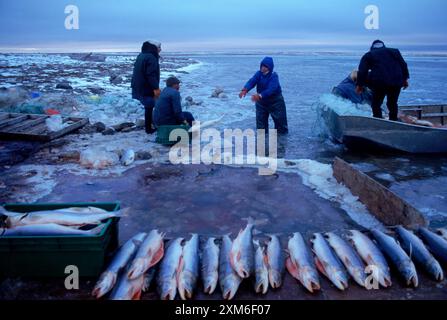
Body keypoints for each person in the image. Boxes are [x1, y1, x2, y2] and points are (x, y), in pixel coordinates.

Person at [356, 40, 410, 121]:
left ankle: (378, 121)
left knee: (376, 104)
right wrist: (405, 79)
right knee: (392, 103)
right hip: (396, 82)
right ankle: (393, 120)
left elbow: (362, 71)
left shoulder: (368, 55)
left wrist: (359, 85)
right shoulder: (395, 51)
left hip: (379, 83)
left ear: (372, 47)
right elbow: (403, 65)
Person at [239, 57, 288, 134]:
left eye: (265, 66)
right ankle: (262, 144)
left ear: (269, 67)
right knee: (261, 127)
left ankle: (282, 143)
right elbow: (252, 81)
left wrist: (260, 95)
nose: (263, 68)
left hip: (275, 102)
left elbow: (272, 88)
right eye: (262, 65)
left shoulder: (273, 76)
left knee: (281, 126)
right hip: (261, 102)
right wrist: (245, 89)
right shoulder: (259, 74)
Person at [131, 40, 162, 134]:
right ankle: (149, 128)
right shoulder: (151, 57)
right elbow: (151, 75)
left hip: (139, 85)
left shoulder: (142, 55)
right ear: (154, 47)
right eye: (159, 47)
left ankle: (149, 126)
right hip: (146, 86)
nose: (161, 49)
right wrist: (156, 88)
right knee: (149, 106)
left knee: (148, 107)